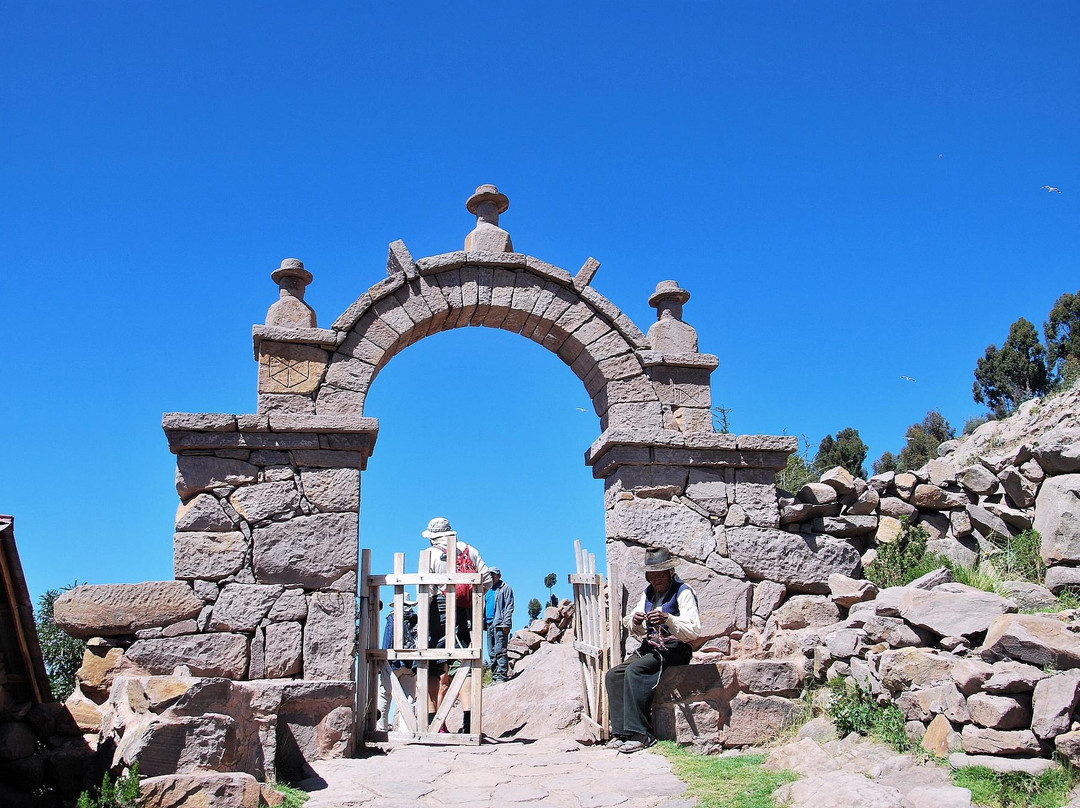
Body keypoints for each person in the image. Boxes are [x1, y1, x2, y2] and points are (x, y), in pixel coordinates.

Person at [605, 547, 700, 754]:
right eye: (652, 576)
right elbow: (631, 622)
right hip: (652, 647)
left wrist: (668, 619)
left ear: (671, 573)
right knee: (614, 675)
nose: (656, 580)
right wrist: (636, 621)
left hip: (675, 648)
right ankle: (622, 733)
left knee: (636, 670)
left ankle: (642, 734)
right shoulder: (648, 593)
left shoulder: (684, 591)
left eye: (660, 575)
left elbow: (693, 630)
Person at [420, 516, 492, 733]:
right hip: (465, 611)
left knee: (434, 664)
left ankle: (434, 724)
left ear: (432, 536)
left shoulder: (430, 554)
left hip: (439, 608)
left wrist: (424, 617)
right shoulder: (469, 549)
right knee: (464, 661)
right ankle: (469, 723)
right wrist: (470, 599)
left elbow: (427, 590)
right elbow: (487, 579)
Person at [376, 596, 418, 733]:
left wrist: (382, 663)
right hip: (410, 664)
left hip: (393, 664)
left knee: (384, 695)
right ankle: (407, 731)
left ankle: (381, 729)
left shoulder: (392, 617)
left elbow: (388, 639)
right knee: (408, 699)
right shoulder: (415, 618)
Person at [487, 567, 515, 682]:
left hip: (500, 623)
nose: (491, 577)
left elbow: (509, 606)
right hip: (489, 624)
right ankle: (494, 677)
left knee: (500, 651)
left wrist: (506, 623)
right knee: (491, 652)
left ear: (498, 576)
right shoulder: (487, 589)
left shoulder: (505, 588)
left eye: (493, 575)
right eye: (489, 575)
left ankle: (501, 676)